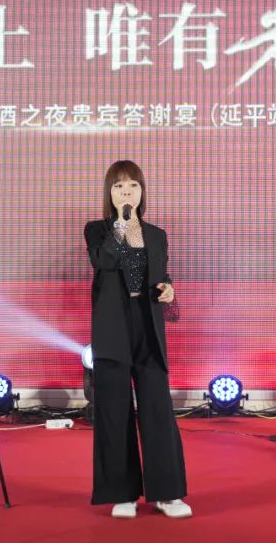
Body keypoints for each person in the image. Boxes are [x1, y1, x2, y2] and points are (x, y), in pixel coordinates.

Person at [84, 160, 191, 519]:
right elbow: (103, 262)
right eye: (118, 186)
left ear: (142, 191)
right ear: (109, 193)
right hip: (113, 328)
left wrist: (168, 288)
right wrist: (121, 227)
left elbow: (160, 274)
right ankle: (123, 493)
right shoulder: (97, 230)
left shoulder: (156, 235)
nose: (126, 191)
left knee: (157, 408)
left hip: (148, 324)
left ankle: (167, 493)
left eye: (132, 185)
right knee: (114, 410)